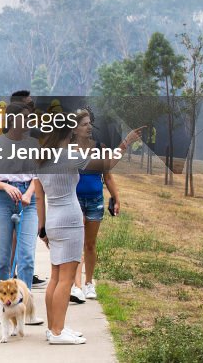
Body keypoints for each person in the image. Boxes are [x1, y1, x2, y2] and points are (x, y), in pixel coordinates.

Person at [35, 110, 142, 344]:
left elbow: (39, 196)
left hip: (53, 219)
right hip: (70, 219)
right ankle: (57, 332)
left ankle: (54, 327)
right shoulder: (70, 155)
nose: (87, 128)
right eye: (83, 125)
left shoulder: (42, 156)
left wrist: (41, 228)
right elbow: (108, 163)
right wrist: (126, 143)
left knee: (55, 276)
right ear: (71, 130)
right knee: (66, 278)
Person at [0, 102, 44, 326]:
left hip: (28, 199)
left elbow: (39, 175)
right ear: (12, 119)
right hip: (2, 199)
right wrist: (5, 187)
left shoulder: (35, 144)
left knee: (26, 255)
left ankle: (25, 308)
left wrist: (28, 193)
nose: (28, 122)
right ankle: (3, 308)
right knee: (2, 258)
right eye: (25, 117)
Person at [71, 111, 121, 303]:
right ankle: (76, 286)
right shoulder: (68, 149)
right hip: (74, 200)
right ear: (75, 129)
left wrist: (116, 197)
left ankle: (89, 282)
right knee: (77, 242)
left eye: (90, 123)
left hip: (95, 200)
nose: (89, 127)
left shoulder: (100, 148)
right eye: (84, 124)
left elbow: (107, 176)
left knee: (90, 244)